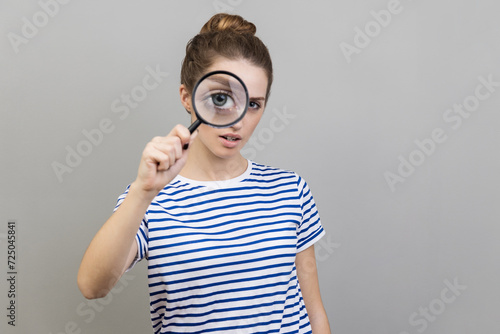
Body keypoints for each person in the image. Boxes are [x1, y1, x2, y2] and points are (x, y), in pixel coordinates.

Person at [78, 13, 331, 334]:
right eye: (221, 98)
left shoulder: (290, 189)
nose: (237, 119)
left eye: (253, 104)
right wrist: (142, 192)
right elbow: (92, 286)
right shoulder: (148, 197)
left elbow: (315, 311)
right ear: (188, 97)